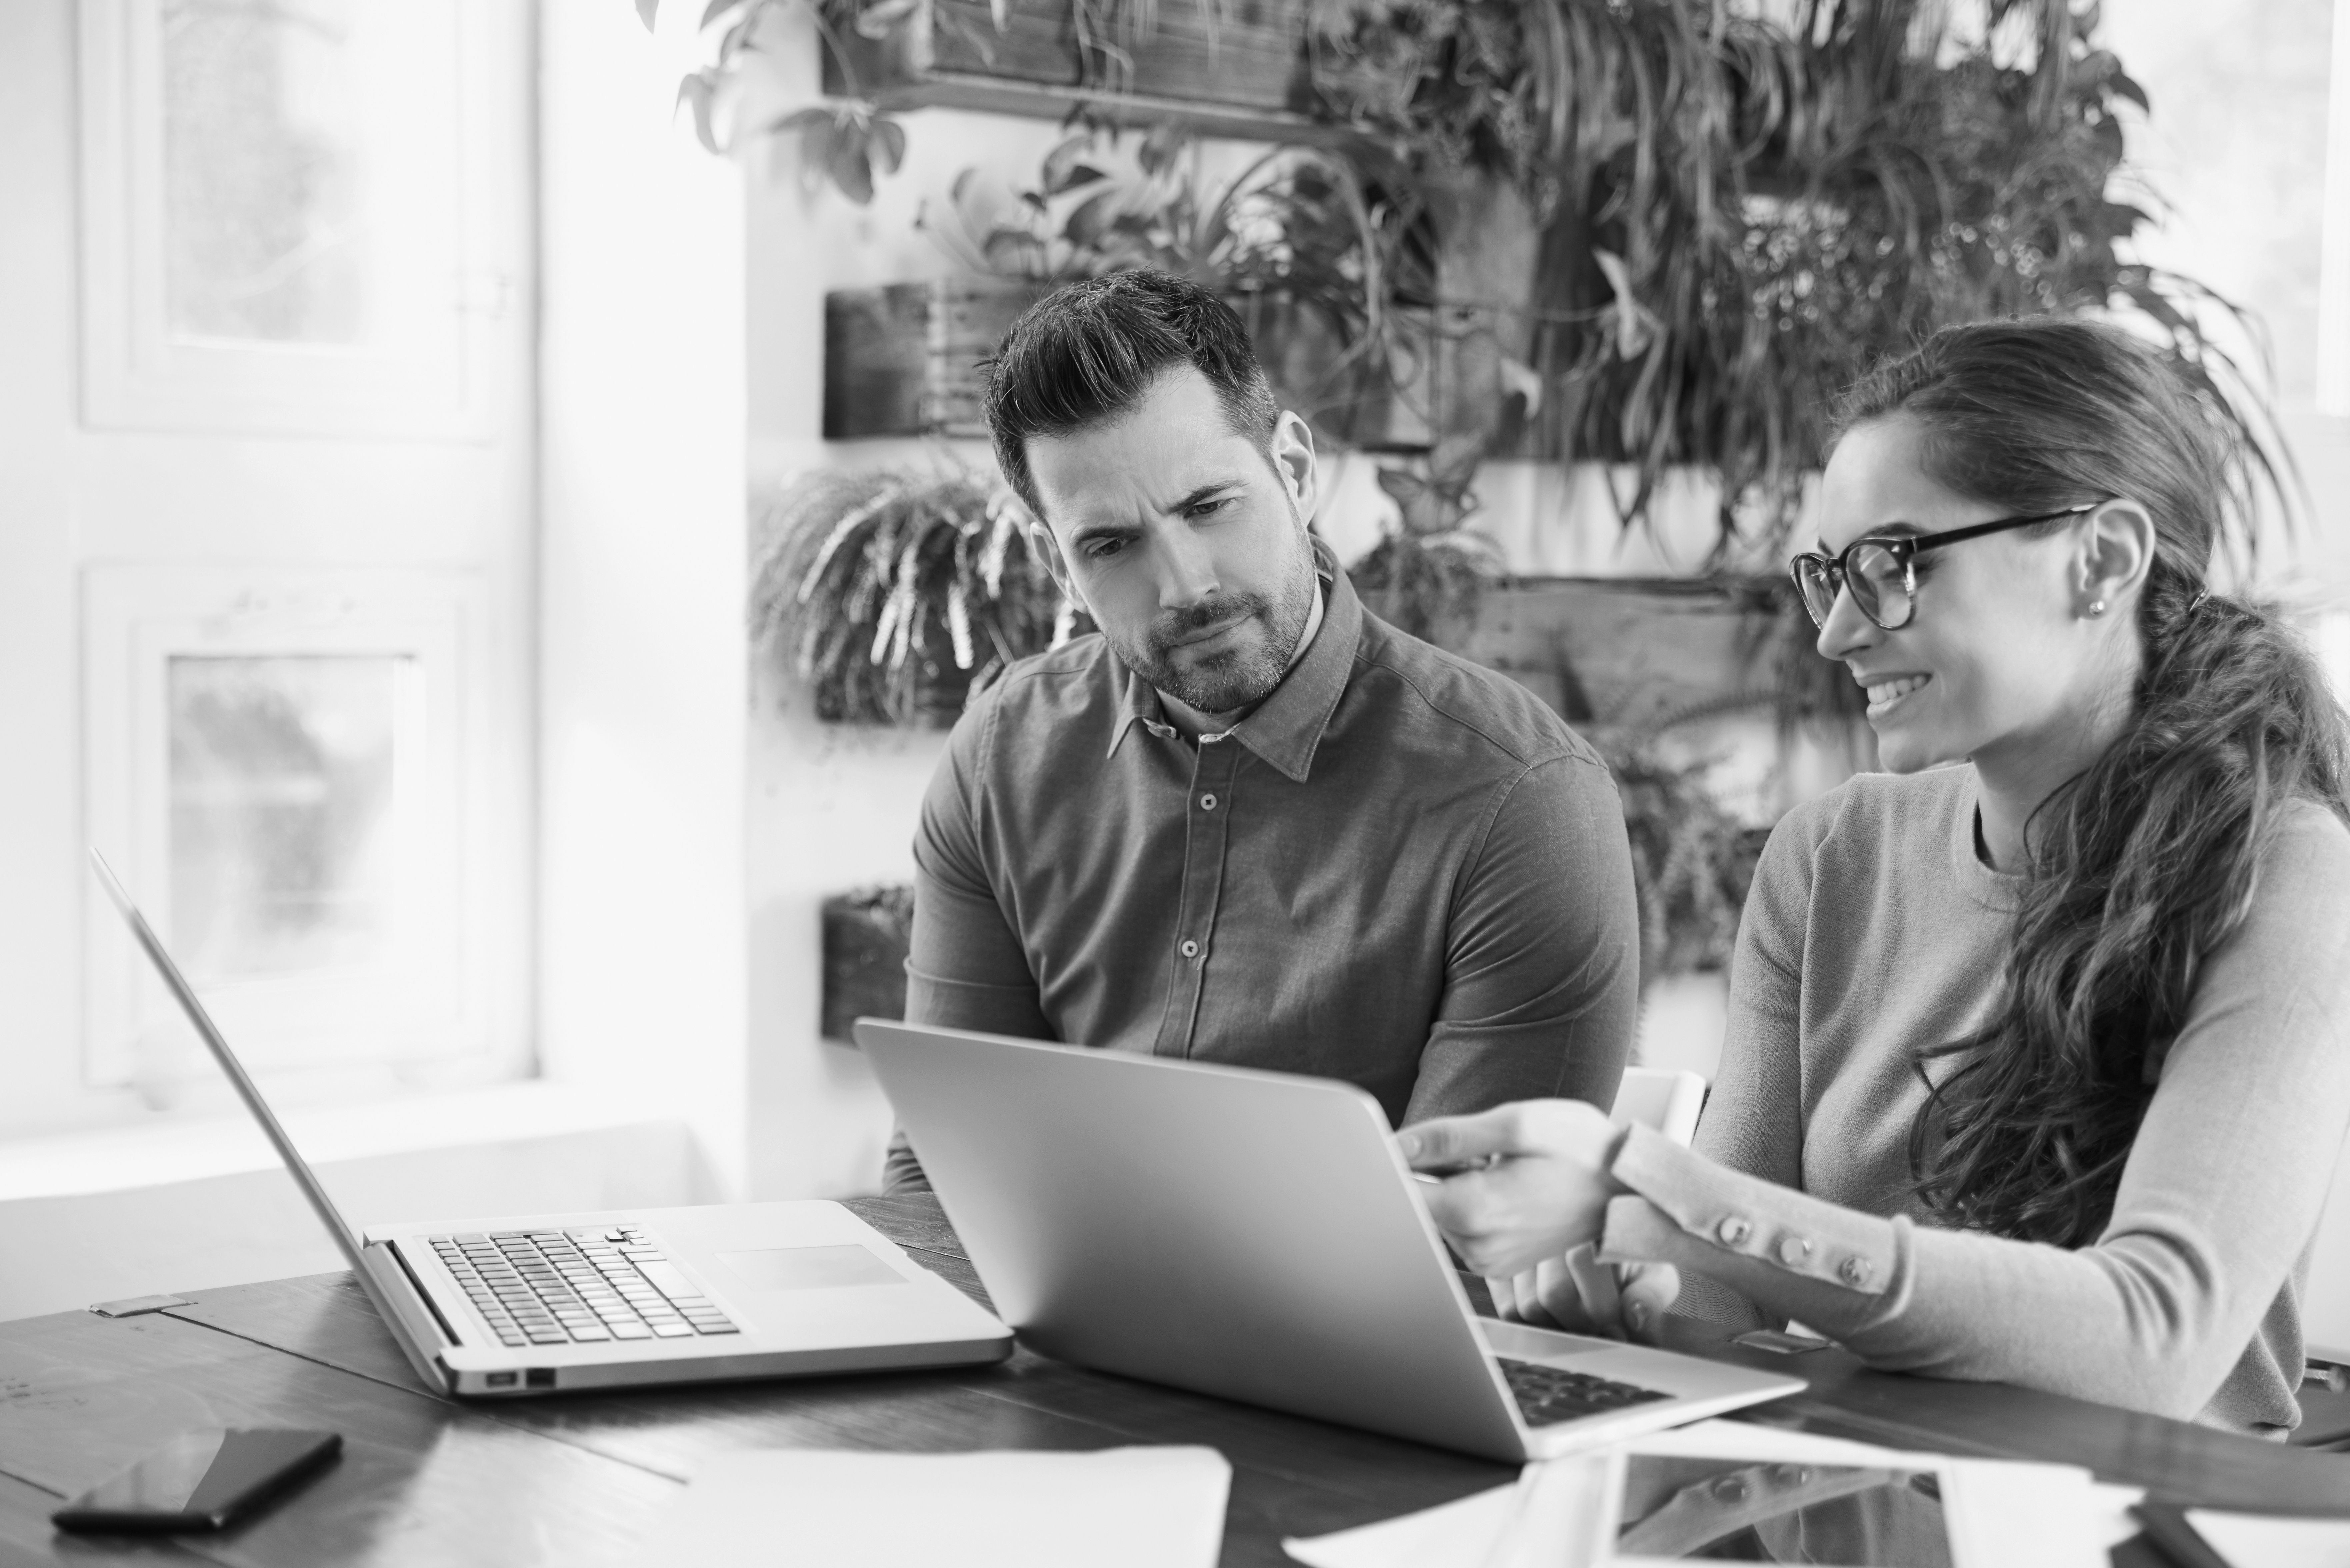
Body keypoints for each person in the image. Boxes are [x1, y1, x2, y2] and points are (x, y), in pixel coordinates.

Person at [1402, 317, 2350, 1435]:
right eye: (1827, 574)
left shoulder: (2286, 873)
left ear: (2101, 559)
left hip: (2136, 1520)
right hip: (1847, 1496)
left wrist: (1648, 1189)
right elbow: (1724, 1290)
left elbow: (2156, 1335)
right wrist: (1627, 1292)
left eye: (1893, 563)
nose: (1839, 631)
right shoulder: (1831, 855)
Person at [881, 269, 1640, 1193]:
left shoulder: (1520, 801)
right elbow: (944, 1173)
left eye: (1207, 506)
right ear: (1056, 560)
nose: (1183, 585)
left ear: (1293, 468)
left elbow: (1466, 1252)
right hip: (1048, 1336)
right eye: (1110, 544)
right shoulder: (1002, 755)